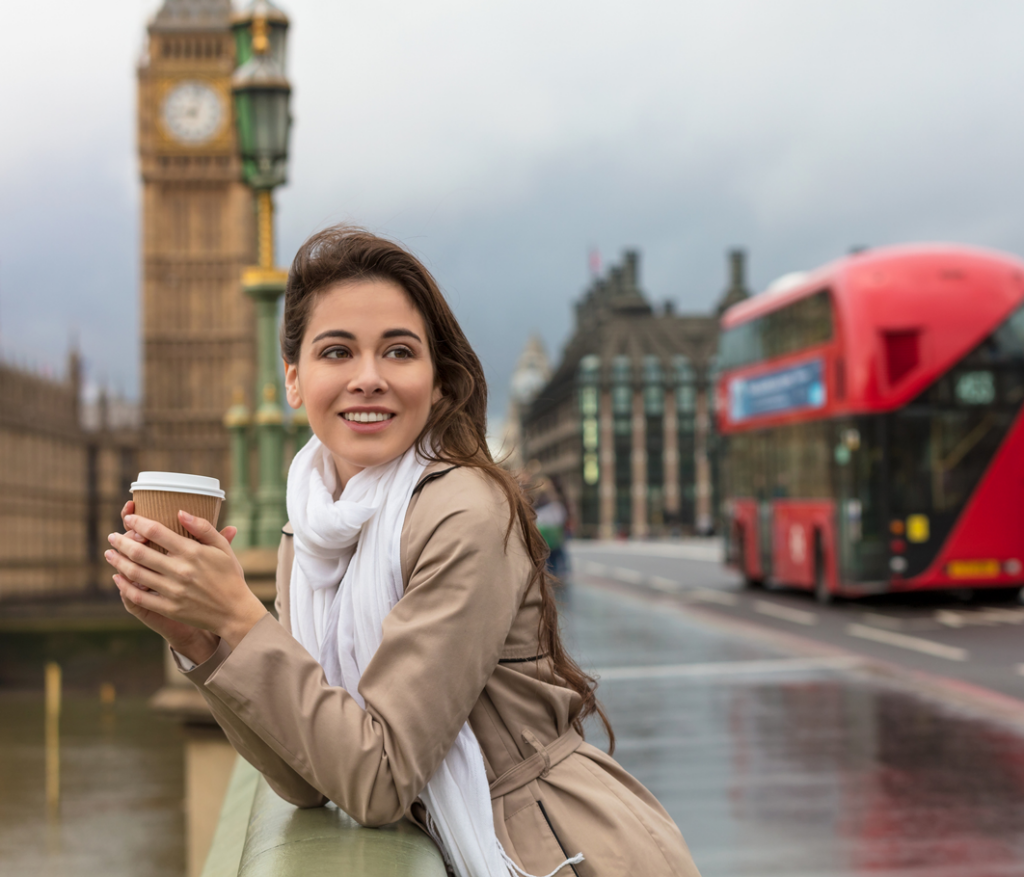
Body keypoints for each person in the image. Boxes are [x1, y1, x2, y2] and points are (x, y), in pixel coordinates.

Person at [105, 226, 701, 877]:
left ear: (439, 382)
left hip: (557, 848)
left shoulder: (464, 512)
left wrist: (239, 619)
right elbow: (307, 778)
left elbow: (379, 777)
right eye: (337, 352)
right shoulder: (308, 528)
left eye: (398, 351)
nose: (368, 378)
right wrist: (202, 638)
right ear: (295, 380)